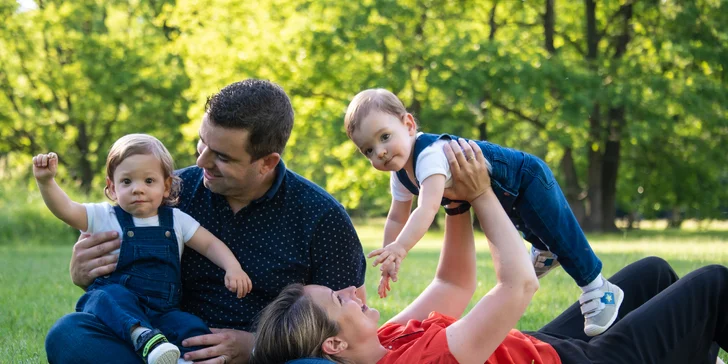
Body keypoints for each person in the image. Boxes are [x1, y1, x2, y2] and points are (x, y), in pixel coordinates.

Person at [251, 139, 728, 364]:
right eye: (338, 300)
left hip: (539, 348)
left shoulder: (384, 342)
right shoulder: (421, 363)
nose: (351, 291)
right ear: (333, 344)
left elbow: (452, 285)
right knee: (713, 286)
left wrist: (455, 205)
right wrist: (483, 194)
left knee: (652, 274)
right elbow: (517, 285)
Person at [45, 79, 367, 364]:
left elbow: (349, 335)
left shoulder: (322, 218)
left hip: (269, 357)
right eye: (203, 143)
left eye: (222, 157)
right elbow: (118, 275)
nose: (201, 161)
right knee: (69, 335)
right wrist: (82, 272)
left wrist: (256, 347)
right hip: (165, 348)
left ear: (267, 162)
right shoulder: (169, 194)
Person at [345, 88, 621, 336]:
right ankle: (544, 250)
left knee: (561, 234)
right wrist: (388, 255)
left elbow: (426, 208)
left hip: (525, 178)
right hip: (500, 194)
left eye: (384, 137)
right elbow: (396, 216)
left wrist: (401, 248)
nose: (379, 152)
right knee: (533, 227)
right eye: (368, 149)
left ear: (408, 124)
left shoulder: (429, 156)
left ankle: (598, 288)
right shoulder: (401, 175)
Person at [33, 134, 252, 363]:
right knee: (103, 297)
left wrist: (233, 267)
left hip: (164, 312)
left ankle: (181, 359)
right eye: (127, 181)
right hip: (121, 312)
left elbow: (209, 244)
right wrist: (46, 182)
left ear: (166, 186)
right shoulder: (105, 217)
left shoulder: (177, 220)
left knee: (192, 328)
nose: (138, 189)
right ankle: (142, 336)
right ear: (112, 188)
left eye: (149, 181)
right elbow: (66, 209)